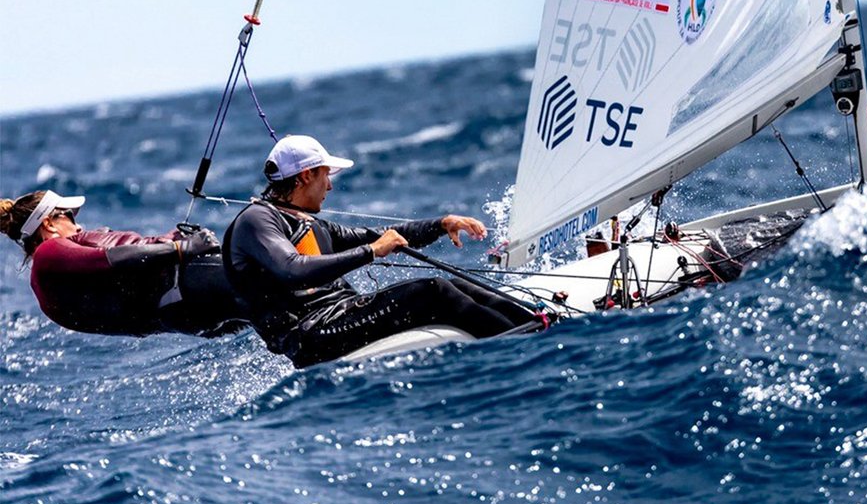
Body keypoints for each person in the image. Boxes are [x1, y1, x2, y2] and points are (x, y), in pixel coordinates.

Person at [222, 135, 542, 367]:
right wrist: (372, 252)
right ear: (306, 175)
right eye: (325, 175)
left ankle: (538, 326)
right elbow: (292, 268)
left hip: (341, 314)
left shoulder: (308, 222)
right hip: (310, 335)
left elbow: (383, 236)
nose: (330, 186)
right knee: (433, 291)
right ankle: (519, 350)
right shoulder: (256, 220)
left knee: (453, 284)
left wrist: (441, 224)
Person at [0, 190, 250, 337]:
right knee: (269, 284)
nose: (78, 225)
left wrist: (169, 238)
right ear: (48, 223)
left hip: (181, 315)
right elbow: (113, 259)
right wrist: (181, 248)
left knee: (268, 312)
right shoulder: (48, 253)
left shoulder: (48, 290)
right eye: (68, 215)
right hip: (186, 287)